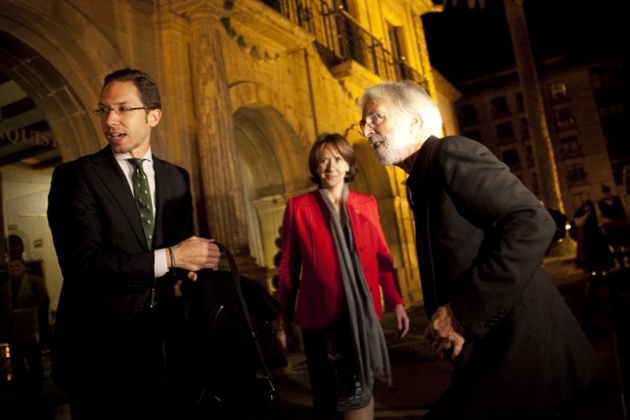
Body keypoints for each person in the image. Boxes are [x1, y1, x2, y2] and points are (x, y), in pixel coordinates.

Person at [358, 80, 598, 419]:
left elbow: (531, 221)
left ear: (414, 120)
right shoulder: (422, 179)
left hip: (527, 355)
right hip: (493, 355)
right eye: (363, 123)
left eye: (375, 118)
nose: (367, 131)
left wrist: (461, 312)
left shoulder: (450, 153)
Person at [47, 68, 221, 420]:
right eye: (103, 110)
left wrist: (193, 267)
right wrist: (172, 257)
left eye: (123, 108)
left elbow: (181, 255)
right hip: (104, 351)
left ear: (153, 115)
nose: (111, 120)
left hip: (169, 347)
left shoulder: (176, 178)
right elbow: (83, 264)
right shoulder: (76, 176)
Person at [276, 132, 410, 419]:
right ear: (315, 167)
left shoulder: (367, 203)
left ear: (349, 165)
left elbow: (382, 257)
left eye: (338, 159)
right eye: (323, 160)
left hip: (361, 316)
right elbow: (288, 267)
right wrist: (281, 319)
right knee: (326, 400)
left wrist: (396, 300)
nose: (331, 166)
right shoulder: (299, 207)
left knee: (359, 391)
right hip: (318, 320)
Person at [0, 257, 51, 405]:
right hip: (13, 331)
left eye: (17, 265)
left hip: (31, 328)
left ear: (23, 267)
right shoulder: (5, 288)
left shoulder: (35, 282)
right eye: (11, 267)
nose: (14, 269)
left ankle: (36, 393)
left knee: (34, 362)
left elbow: (43, 303)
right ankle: (22, 393)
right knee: (17, 364)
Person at [573, 199, 615, 276]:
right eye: (586, 207)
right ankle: (592, 270)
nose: (588, 208)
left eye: (589, 206)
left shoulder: (595, 211)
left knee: (600, 251)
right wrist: (586, 216)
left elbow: (600, 219)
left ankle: (602, 269)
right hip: (587, 235)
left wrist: (610, 220)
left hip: (597, 234)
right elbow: (578, 224)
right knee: (590, 252)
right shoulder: (580, 213)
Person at [597, 185, 630, 269]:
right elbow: (599, 217)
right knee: (616, 247)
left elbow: (625, 210)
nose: (607, 195)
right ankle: (621, 265)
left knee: (627, 245)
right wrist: (608, 221)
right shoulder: (600, 204)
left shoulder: (618, 199)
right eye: (605, 193)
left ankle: (629, 260)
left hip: (623, 226)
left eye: (608, 193)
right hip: (611, 229)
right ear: (603, 194)